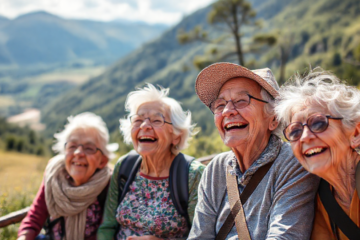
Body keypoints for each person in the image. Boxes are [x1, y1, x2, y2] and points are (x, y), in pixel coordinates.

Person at [188, 62, 319, 239]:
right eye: (220, 105)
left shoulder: (293, 163)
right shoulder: (216, 168)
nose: (227, 111)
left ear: (273, 119)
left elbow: (285, 236)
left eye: (241, 101)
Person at [98, 84, 205, 240]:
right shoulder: (125, 166)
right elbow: (107, 226)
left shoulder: (193, 174)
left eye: (156, 120)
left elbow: (204, 235)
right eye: (138, 120)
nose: (144, 126)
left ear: (176, 135)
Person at [275, 68, 360, 239]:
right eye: (295, 131)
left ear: (356, 133)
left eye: (319, 123)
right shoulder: (319, 201)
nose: (305, 137)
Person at [17, 112, 115, 240]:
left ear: (102, 161)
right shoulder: (54, 176)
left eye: (89, 148)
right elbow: (34, 218)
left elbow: (107, 231)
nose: (78, 153)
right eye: (72, 146)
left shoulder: (109, 184)